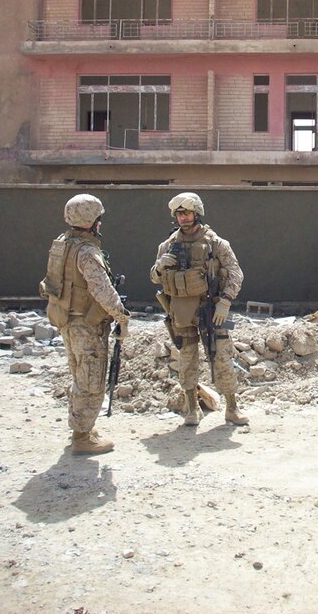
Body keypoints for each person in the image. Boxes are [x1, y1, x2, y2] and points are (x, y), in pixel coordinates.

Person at [39, 194, 130, 455]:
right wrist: (122, 317)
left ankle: (84, 427)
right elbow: (103, 290)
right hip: (86, 324)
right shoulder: (87, 252)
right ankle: (81, 438)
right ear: (92, 221)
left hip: (66, 319)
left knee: (80, 374)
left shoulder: (62, 244)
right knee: (91, 380)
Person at [150, 192, 248, 427]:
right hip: (182, 312)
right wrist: (160, 267)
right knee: (187, 359)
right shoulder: (167, 245)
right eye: (179, 214)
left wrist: (225, 301)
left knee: (222, 356)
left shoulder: (216, 243)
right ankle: (191, 409)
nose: (183, 218)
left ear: (197, 213)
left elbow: (236, 273)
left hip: (212, 310)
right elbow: (154, 278)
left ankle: (232, 408)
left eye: (187, 213)